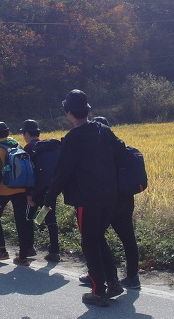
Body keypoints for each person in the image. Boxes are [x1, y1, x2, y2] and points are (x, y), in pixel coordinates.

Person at [39, 90, 123, 307]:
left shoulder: (73, 139)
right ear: (87, 110)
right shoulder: (103, 130)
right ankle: (113, 282)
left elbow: (62, 173)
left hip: (87, 199)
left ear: (68, 113)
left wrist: (49, 198)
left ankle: (98, 291)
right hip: (110, 196)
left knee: (90, 242)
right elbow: (122, 151)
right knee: (98, 238)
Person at [87, 117, 141, 290]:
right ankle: (133, 277)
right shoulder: (121, 146)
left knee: (95, 237)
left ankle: (100, 274)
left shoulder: (101, 150)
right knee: (128, 237)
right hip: (126, 197)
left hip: (109, 199)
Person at [0, 121, 35, 266]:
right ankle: (23, 256)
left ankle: (2, 250)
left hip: (4, 189)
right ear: (8, 132)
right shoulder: (17, 145)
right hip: (21, 188)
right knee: (21, 221)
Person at [19, 119, 61, 262]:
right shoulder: (48, 146)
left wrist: (28, 195)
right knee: (50, 218)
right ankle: (54, 251)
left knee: (28, 217)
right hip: (51, 190)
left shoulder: (29, 148)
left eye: (23, 133)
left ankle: (28, 248)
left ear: (27, 133)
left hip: (36, 191)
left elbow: (27, 174)